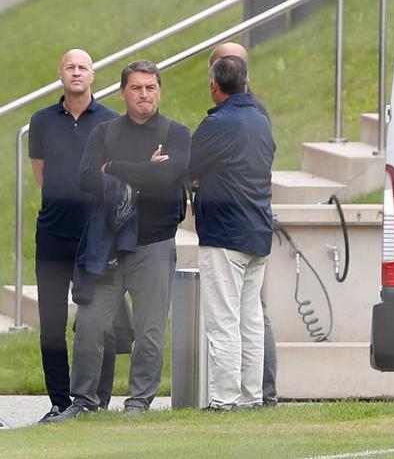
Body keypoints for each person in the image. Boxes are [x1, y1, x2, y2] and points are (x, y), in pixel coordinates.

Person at [47, 60, 191, 421]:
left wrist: (114, 169)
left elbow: (169, 177)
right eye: (137, 88)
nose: (145, 94)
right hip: (107, 246)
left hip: (155, 245)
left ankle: (139, 401)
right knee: (90, 325)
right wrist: (146, 169)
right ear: (124, 92)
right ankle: (83, 402)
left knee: (150, 329)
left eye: (151, 87)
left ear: (159, 90)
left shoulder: (176, 133)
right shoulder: (105, 133)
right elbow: (85, 179)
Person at [28, 49, 119, 423]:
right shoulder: (42, 120)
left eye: (83, 67)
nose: (76, 72)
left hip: (96, 236)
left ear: (93, 75)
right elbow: (41, 175)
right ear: (60, 74)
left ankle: (97, 399)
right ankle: (59, 401)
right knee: (51, 323)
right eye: (70, 67)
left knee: (97, 322)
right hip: (52, 235)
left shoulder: (112, 122)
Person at [190, 54, 275, 410]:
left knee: (224, 321)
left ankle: (224, 400)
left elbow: (189, 170)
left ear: (214, 85)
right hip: (257, 231)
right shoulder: (260, 121)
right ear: (246, 81)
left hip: (224, 234)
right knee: (250, 320)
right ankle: (252, 397)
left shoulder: (217, 124)